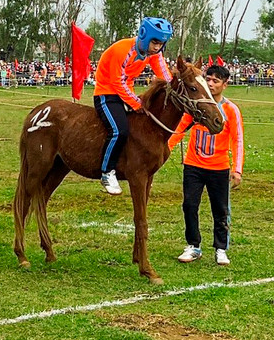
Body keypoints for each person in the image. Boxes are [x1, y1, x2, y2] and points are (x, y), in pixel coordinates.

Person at [167, 64, 245, 266]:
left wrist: (237, 169)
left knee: (220, 210)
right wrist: (163, 151)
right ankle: (193, 245)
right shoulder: (196, 106)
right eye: (208, 79)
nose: (211, 84)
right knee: (189, 205)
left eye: (215, 81)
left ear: (225, 85)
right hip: (193, 165)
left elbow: (237, 140)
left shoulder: (230, 110)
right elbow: (179, 130)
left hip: (219, 168)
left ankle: (221, 249)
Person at [92, 18, 173, 195]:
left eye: (161, 43)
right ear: (144, 36)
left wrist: (176, 87)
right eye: (155, 42)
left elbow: (165, 75)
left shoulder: (154, 54)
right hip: (107, 93)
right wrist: (136, 103)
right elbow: (117, 82)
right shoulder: (122, 50)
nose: (157, 47)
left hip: (127, 92)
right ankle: (107, 172)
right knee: (118, 130)